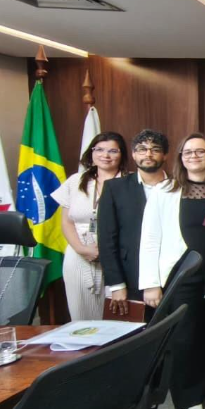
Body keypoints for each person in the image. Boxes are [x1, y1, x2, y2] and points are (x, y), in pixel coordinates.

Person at [138, 133, 205, 409]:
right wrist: (150, 283)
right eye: (188, 152)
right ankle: (190, 397)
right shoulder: (164, 191)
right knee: (185, 335)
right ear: (181, 157)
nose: (194, 156)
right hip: (180, 274)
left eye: (200, 151)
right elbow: (150, 238)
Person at [51, 132, 128, 321]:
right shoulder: (75, 181)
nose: (105, 155)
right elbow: (67, 222)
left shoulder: (131, 182)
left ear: (122, 154)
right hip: (79, 256)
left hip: (118, 257)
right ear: (91, 152)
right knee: (81, 316)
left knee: (117, 318)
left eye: (112, 151)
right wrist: (82, 249)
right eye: (99, 149)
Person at [98, 129, 169, 317]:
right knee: (138, 332)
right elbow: (106, 240)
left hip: (172, 276)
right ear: (133, 154)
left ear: (165, 155)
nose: (148, 154)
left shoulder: (178, 187)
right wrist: (117, 285)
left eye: (155, 149)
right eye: (142, 149)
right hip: (130, 277)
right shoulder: (114, 188)